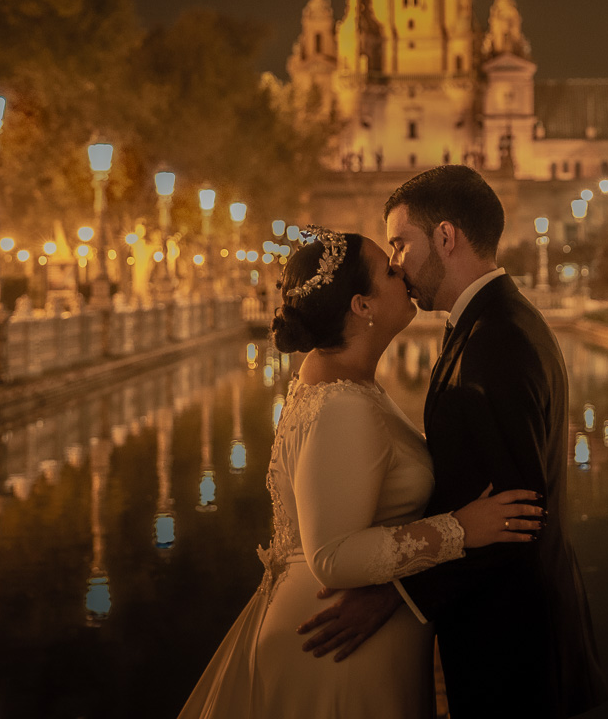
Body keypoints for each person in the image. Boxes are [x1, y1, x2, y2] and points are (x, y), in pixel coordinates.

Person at [177, 227, 543, 719]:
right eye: (390, 269)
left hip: (339, 633)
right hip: (337, 644)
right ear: (362, 306)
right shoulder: (344, 404)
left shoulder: (338, 377)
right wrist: (461, 529)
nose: (403, 272)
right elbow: (333, 556)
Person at [297, 165, 608, 717]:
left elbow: (516, 516)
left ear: (445, 236)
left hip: (514, 653)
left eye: (400, 243)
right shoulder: (487, 325)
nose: (394, 263)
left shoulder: (497, 342)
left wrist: (396, 595)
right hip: (507, 641)